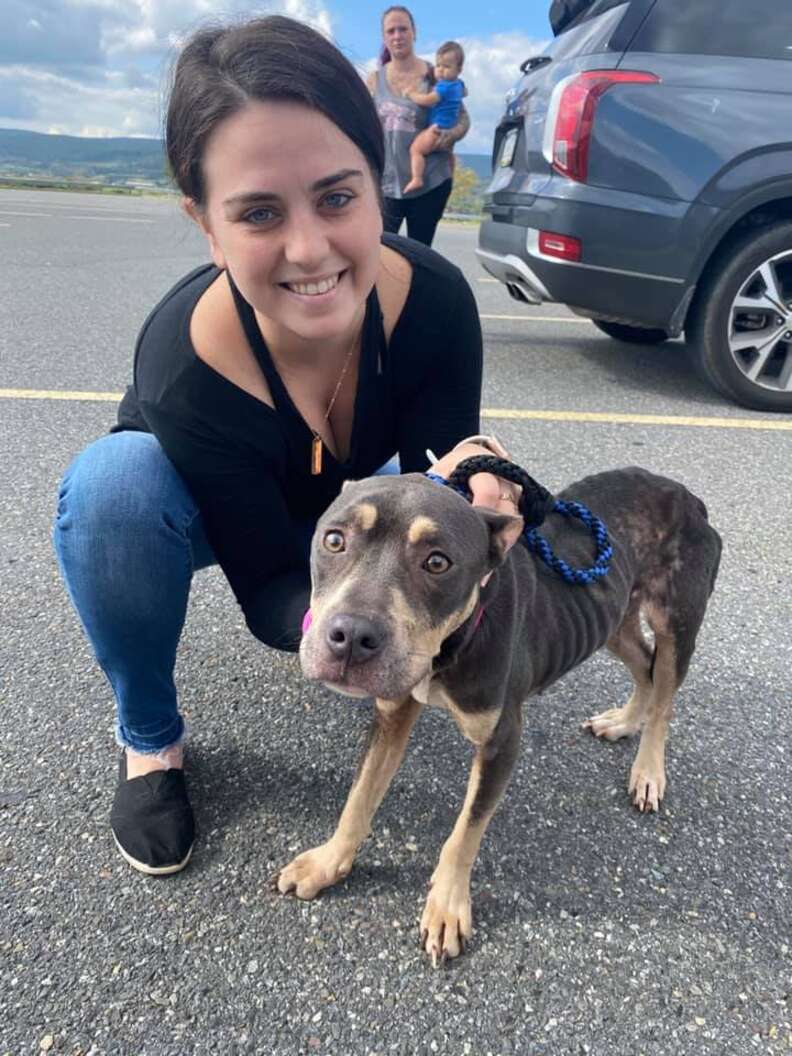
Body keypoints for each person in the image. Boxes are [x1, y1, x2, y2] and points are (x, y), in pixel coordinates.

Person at [53, 15, 522, 877]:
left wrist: (478, 472)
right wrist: (344, 633)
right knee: (112, 492)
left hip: (355, 501)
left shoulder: (435, 303)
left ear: (380, 188)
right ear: (206, 223)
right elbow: (272, 581)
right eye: (260, 212)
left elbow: (439, 478)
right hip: (210, 506)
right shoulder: (185, 363)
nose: (309, 250)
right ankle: (150, 739)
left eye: (338, 198)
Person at [368, 6, 469, 246]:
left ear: (414, 32)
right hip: (387, 186)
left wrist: (448, 136)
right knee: (382, 254)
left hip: (430, 183)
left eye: (403, 29)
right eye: (391, 31)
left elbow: (464, 119)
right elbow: (362, 127)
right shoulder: (374, 80)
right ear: (384, 37)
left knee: (420, 256)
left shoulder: (436, 75)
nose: (397, 36)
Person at [402, 41, 465, 195]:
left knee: (416, 150)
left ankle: (417, 178)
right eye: (438, 65)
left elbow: (428, 100)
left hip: (436, 129)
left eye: (447, 66)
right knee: (447, 154)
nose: (441, 70)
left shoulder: (444, 86)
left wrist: (411, 94)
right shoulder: (459, 84)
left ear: (459, 70)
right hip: (448, 128)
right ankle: (450, 173)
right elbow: (463, 94)